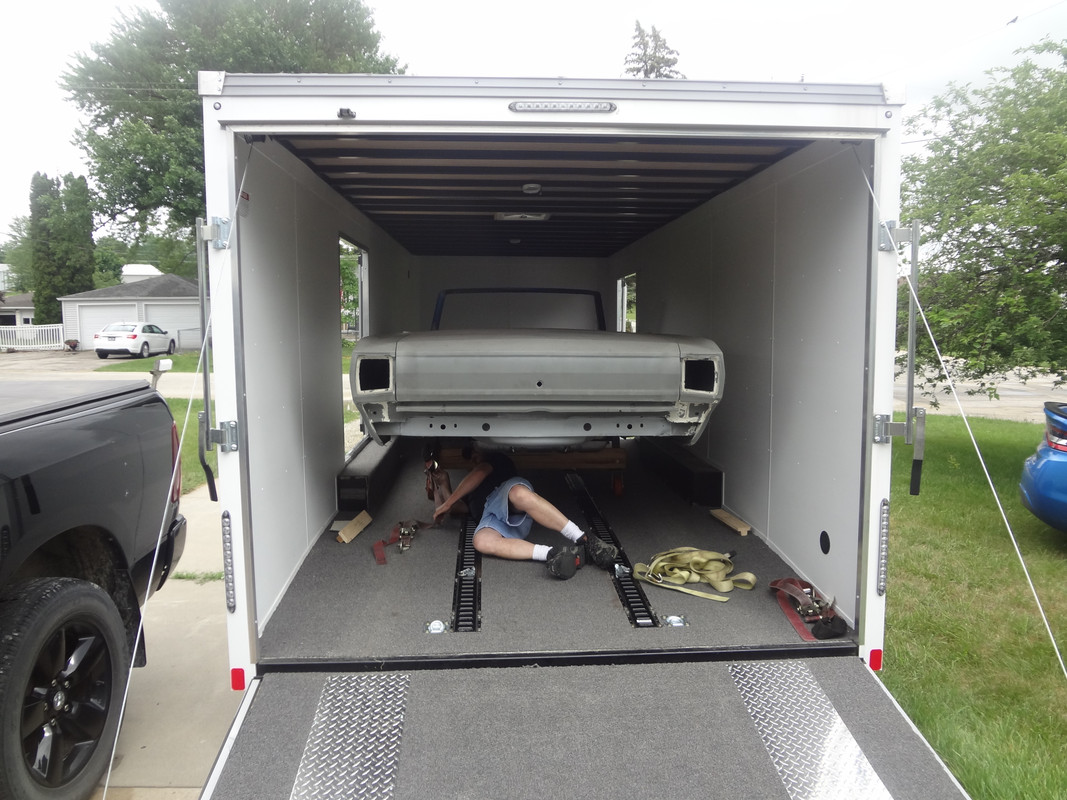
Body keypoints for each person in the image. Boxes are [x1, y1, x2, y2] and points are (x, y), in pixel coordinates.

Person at [432, 447, 618, 580]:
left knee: (519, 494)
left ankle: (585, 540)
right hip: (492, 518)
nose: (474, 458)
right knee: (481, 541)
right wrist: (443, 484)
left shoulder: (497, 460)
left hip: (504, 493)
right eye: (470, 457)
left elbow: (479, 472)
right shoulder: (470, 494)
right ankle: (554, 554)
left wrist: (448, 502)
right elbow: (456, 509)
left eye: (475, 453)